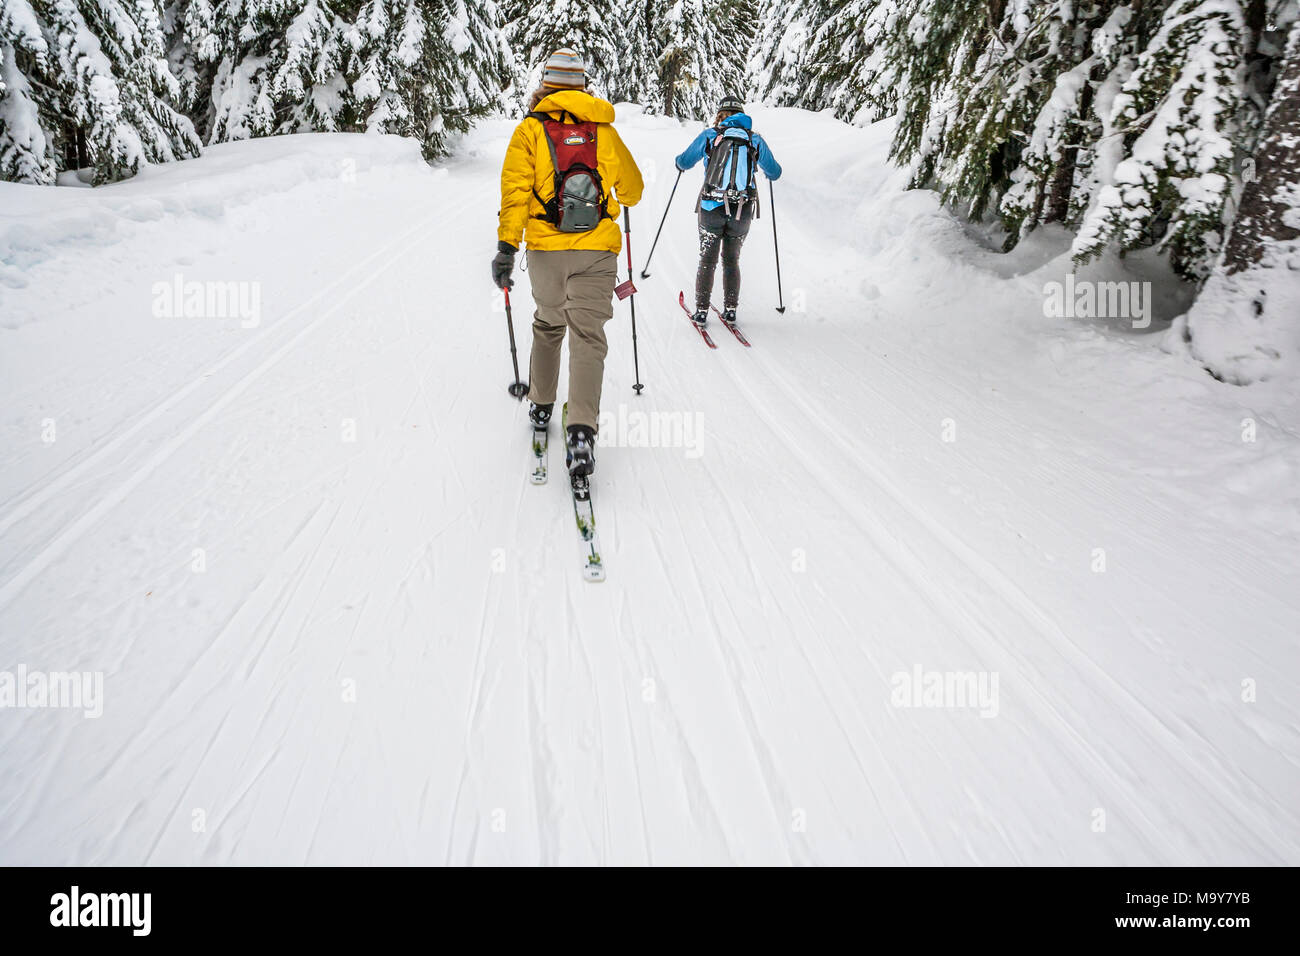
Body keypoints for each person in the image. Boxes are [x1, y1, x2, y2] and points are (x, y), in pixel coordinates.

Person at [492, 49, 643, 478]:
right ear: (581, 84)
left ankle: (541, 406)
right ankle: (580, 434)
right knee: (588, 338)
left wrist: (506, 247)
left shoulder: (530, 131)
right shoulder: (603, 130)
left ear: (545, 84)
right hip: (598, 252)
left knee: (549, 324)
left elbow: (515, 193)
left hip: (545, 251)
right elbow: (632, 190)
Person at [674, 96, 781, 326]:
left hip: (711, 207)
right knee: (731, 260)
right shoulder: (755, 140)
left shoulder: (711, 135)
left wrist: (678, 163)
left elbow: (684, 161)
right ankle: (730, 310)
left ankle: (701, 311)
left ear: (721, 114)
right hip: (742, 210)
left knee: (707, 260)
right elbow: (775, 172)